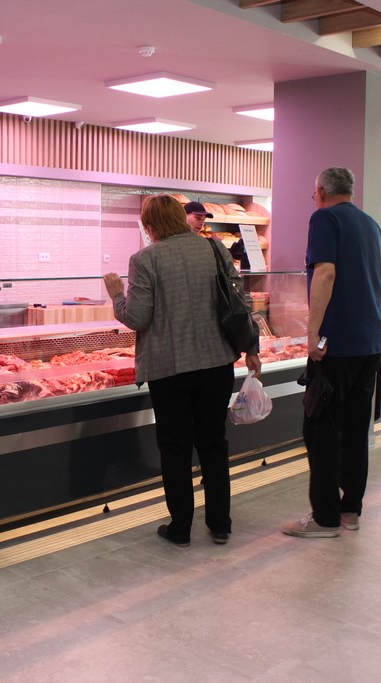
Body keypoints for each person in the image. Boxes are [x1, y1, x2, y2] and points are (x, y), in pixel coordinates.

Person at [103, 194, 261, 546]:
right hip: (216, 362)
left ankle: (180, 528)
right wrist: (252, 347)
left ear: (150, 227)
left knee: (175, 449)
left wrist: (116, 294)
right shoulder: (215, 249)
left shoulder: (145, 259)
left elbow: (137, 317)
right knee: (214, 443)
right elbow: (241, 302)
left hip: (169, 369)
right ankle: (220, 524)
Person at [282, 167, 381, 539]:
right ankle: (350, 511)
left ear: (320, 191)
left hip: (336, 346)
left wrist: (314, 331)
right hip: (369, 345)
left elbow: (325, 273)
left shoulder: (324, 219)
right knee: (355, 430)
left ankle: (325, 517)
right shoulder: (370, 224)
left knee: (322, 430)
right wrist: (367, 312)